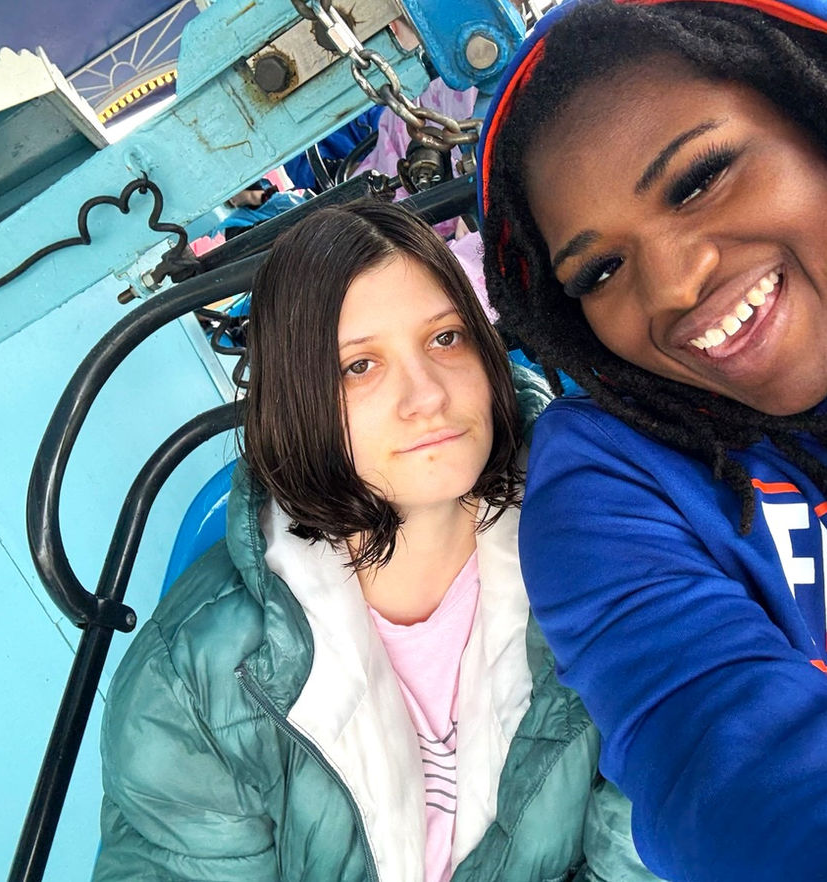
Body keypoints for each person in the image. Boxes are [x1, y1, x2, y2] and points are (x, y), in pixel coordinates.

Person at [91, 199, 658, 882]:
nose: (426, 396)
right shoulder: (191, 679)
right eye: (358, 366)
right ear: (298, 403)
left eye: (445, 339)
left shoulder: (616, 548)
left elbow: (658, 820)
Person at [478, 0, 827, 880]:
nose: (670, 288)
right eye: (597, 272)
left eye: (698, 179)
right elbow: (727, 768)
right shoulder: (610, 479)